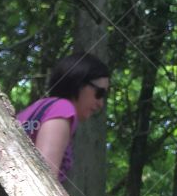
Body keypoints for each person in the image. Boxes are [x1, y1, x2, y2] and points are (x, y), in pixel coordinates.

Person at [16, 53, 111, 184]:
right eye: (99, 93)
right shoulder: (62, 108)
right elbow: (43, 179)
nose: (101, 103)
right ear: (79, 82)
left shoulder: (39, 107)